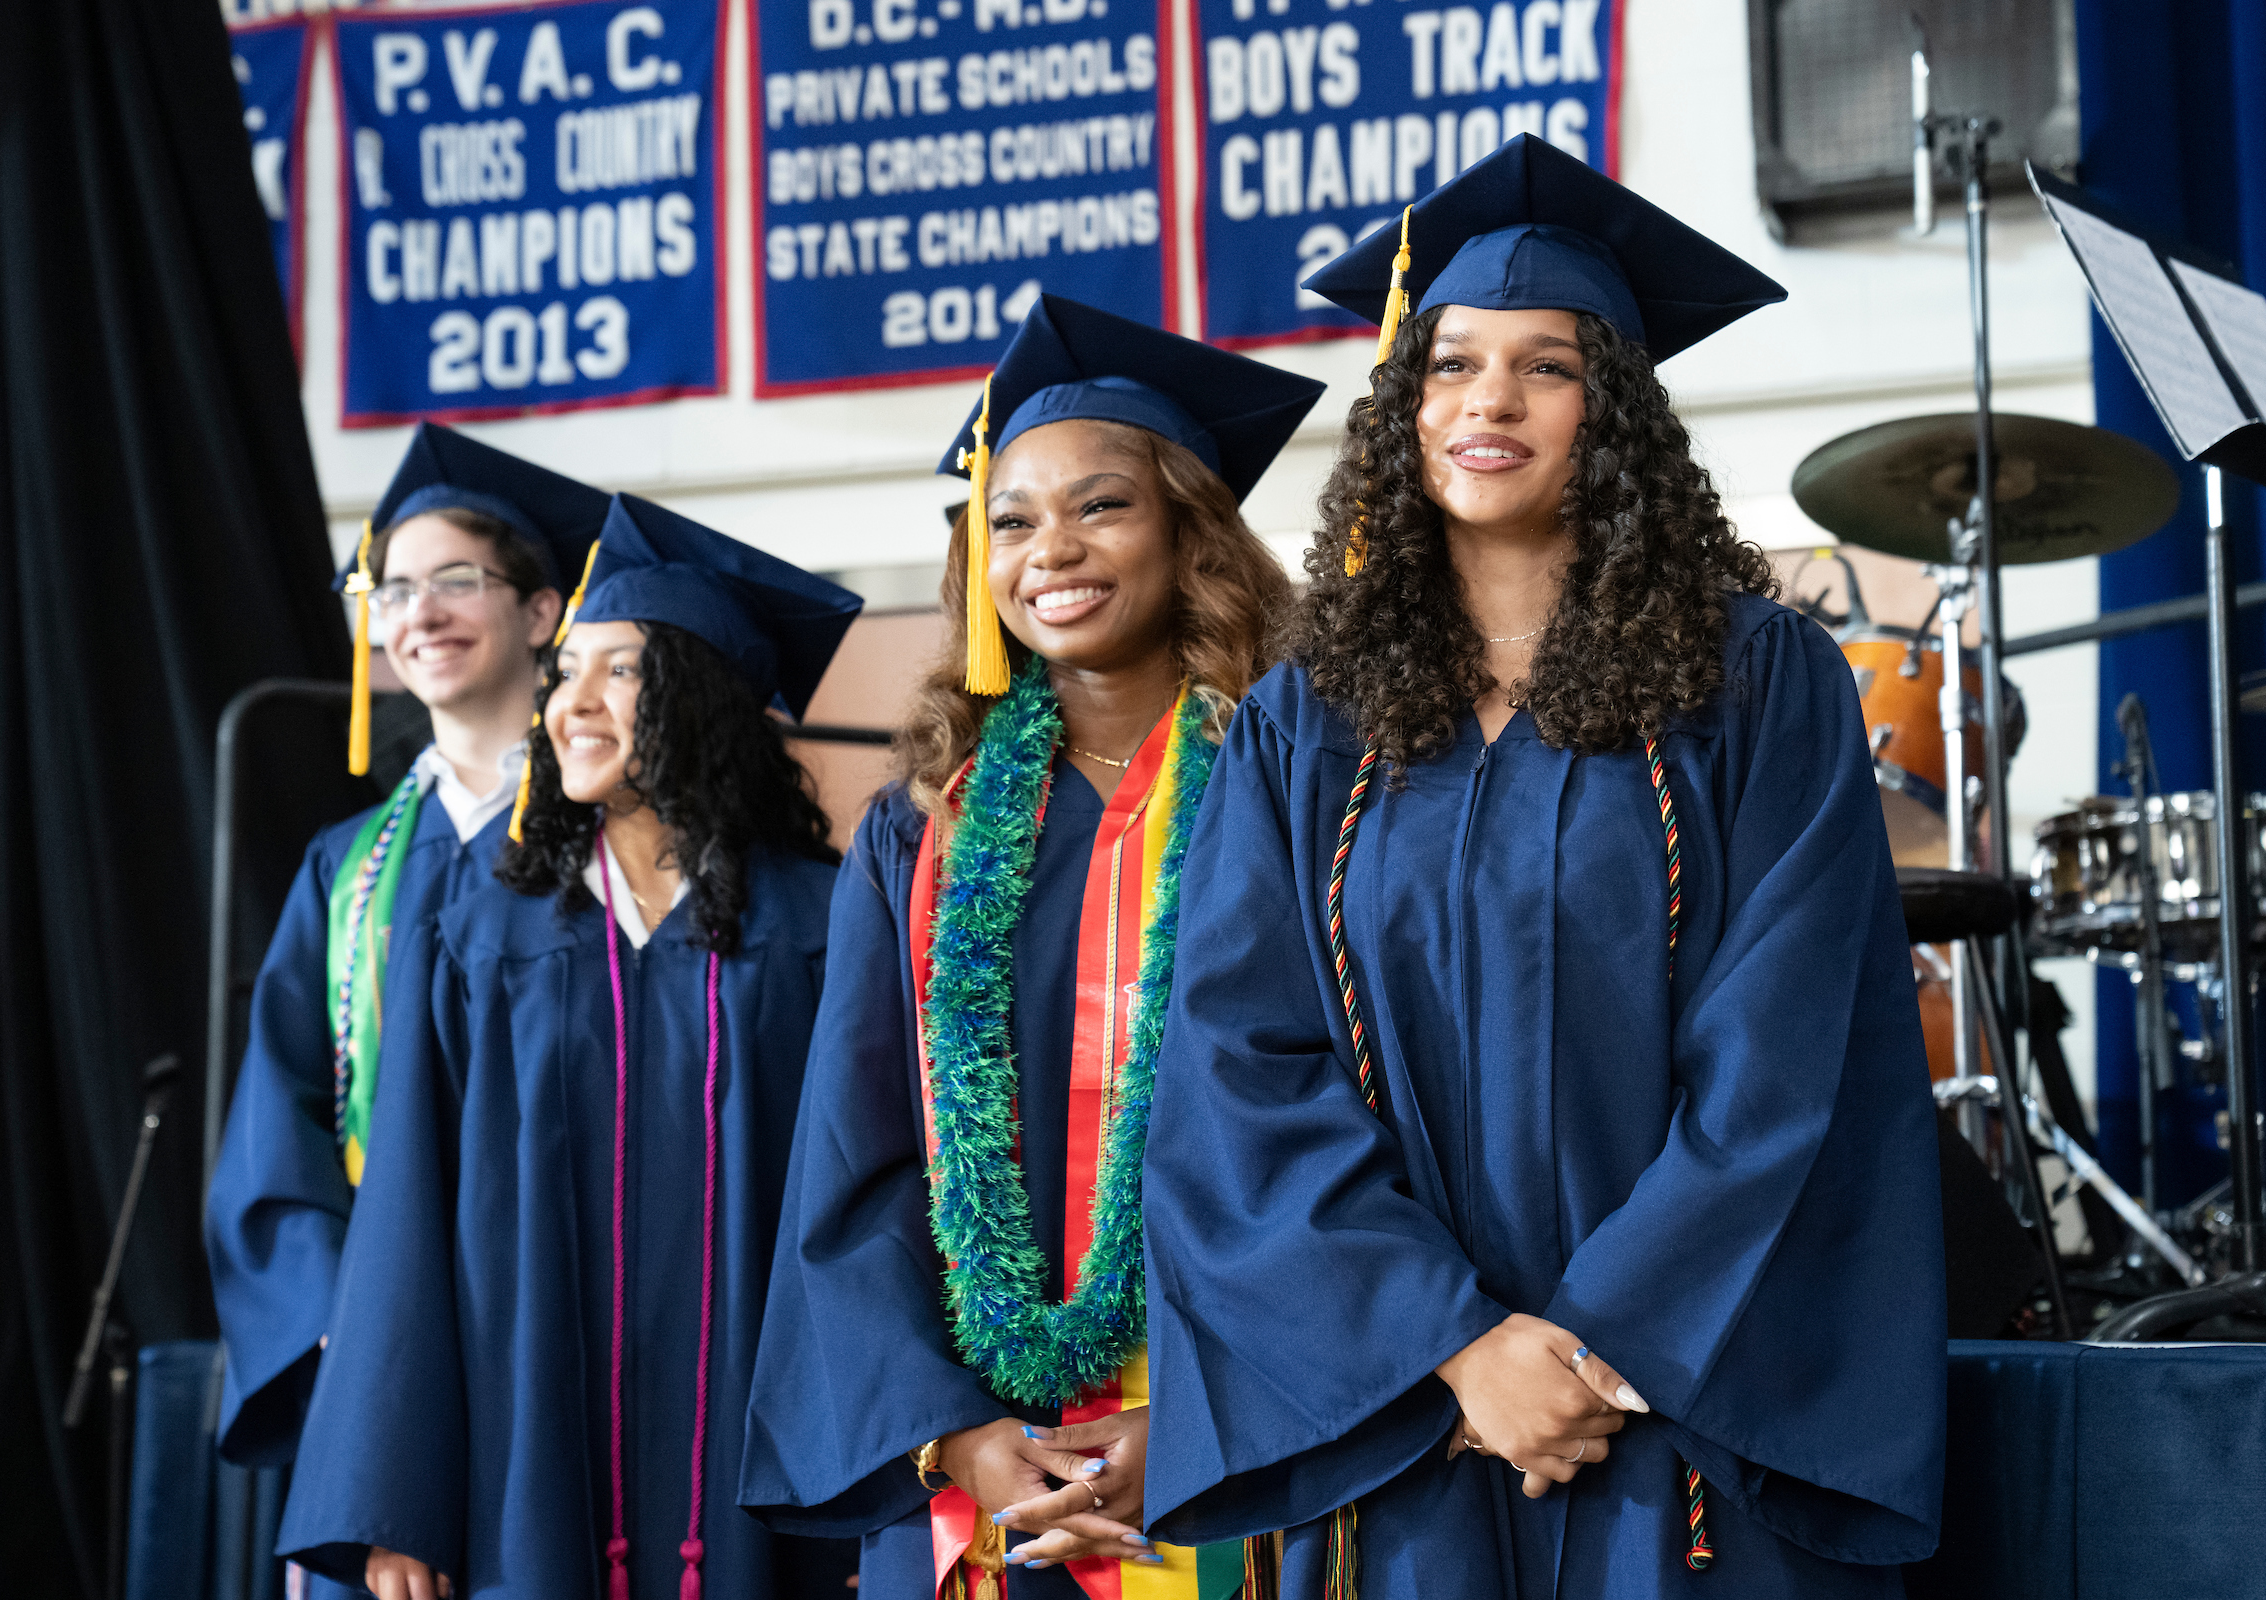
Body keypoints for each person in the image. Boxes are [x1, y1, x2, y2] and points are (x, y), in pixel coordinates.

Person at [1137, 135, 1947, 1599]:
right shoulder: (1309, 717)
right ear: (1404, 404)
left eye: (1548, 367)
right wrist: (1454, 1349)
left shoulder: (1757, 684)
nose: (1488, 402)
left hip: (1680, 1401)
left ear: (1618, 411)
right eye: (1449, 365)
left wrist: (1593, 1347)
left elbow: (1787, 1058)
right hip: (1425, 1429)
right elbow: (1241, 1064)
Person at [737, 295, 1324, 1598]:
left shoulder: (1297, 797)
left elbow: (1350, 1127)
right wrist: (961, 1434)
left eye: (1101, 505)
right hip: (981, 1479)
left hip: (1249, 1442)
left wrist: (1212, 1414)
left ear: (1191, 535)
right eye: (1012, 518)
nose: (1050, 548)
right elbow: (858, 1155)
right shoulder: (922, 835)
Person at [275, 494, 863, 1600]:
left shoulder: (819, 929)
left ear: (700, 697)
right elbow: (407, 1216)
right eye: (566, 672)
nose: (571, 703)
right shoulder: (475, 933)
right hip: (518, 1456)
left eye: (620, 672)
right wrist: (398, 1500)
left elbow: (863, 1211)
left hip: (762, 1451)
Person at [205, 425, 607, 1597]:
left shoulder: (619, 846)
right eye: (391, 587)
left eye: (457, 580)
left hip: (573, 1322)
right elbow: (277, 1123)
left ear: (542, 613)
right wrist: (354, 1338)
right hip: (381, 1345)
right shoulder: (352, 867)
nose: (416, 611)